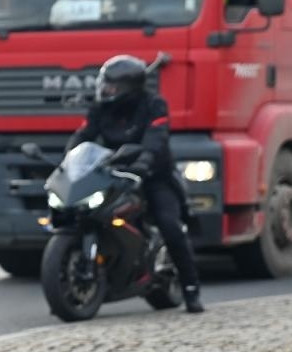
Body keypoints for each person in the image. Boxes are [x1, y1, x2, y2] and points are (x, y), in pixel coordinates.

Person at [67, 54, 204, 313]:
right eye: (104, 85)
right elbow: (83, 135)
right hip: (112, 172)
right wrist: (69, 160)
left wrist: (144, 162)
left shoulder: (154, 105)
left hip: (153, 175)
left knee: (169, 225)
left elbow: (156, 137)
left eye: (112, 87)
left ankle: (190, 287)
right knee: (85, 212)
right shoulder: (100, 108)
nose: (105, 90)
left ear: (129, 89)